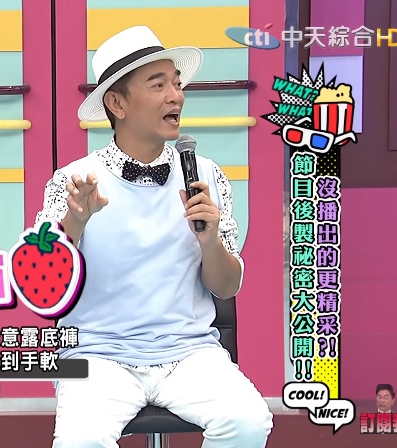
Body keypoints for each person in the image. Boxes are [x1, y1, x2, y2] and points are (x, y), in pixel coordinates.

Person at [36, 26, 274, 447]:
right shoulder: (74, 180)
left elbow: (227, 286)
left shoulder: (206, 175)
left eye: (177, 84)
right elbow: (44, 285)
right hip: (96, 354)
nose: (176, 96)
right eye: (158, 85)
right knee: (80, 441)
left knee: (249, 422)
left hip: (190, 353)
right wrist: (75, 221)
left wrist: (210, 242)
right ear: (117, 103)